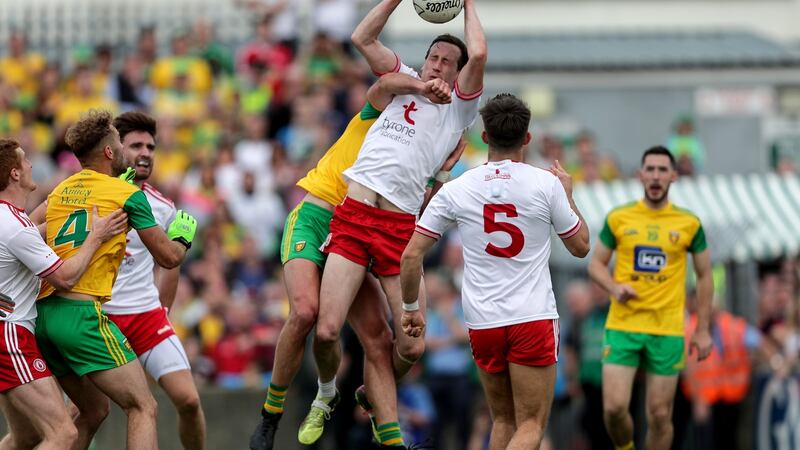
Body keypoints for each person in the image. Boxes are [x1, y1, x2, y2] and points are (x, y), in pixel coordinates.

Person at [305, 0, 487, 447]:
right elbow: (361, 39)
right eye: (435, 57)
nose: (440, 66)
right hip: (354, 214)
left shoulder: (460, 108)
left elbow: (479, 54)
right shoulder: (405, 79)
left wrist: (465, 5)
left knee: (411, 346)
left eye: (448, 63)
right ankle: (326, 394)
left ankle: (375, 389)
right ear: (425, 59)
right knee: (327, 329)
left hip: (399, 230)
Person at [248, 74, 463, 449]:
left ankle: (389, 436)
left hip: (359, 232)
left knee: (380, 340)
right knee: (305, 313)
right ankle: (276, 412)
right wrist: (419, 84)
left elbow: (418, 207)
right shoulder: (378, 114)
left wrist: (441, 171)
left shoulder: (418, 146)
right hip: (317, 217)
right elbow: (379, 75)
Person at [400, 93, 590, 449]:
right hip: (531, 317)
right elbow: (580, 246)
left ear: (484, 137)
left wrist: (411, 309)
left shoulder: (457, 189)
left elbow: (411, 256)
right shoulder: (546, 184)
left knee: (502, 419)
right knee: (531, 425)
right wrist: (569, 194)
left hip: (483, 322)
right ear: (527, 139)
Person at [35, 109, 198, 450]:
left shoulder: (62, 189)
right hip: (82, 316)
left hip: (43, 317)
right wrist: (183, 236)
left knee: (92, 411)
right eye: (124, 145)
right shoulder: (127, 195)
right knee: (143, 407)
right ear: (110, 152)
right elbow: (169, 258)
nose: (133, 153)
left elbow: (24, 230)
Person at [0, 139, 127, 449]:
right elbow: (65, 278)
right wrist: (95, 236)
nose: (31, 165)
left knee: (26, 437)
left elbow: (30, 234)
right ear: (15, 173)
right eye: (25, 159)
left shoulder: (10, 221)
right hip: (11, 335)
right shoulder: (15, 226)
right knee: (63, 434)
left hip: (6, 332)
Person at [587, 145, 713, 450]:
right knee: (614, 409)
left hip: (667, 328)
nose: (656, 176)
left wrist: (703, 329)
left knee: (658, 415)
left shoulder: (689, 223)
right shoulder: (620, 218)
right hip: (623, 325)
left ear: (673, 176)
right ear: (641, 175)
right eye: (650, 170)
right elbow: (595, 264)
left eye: (662, 170)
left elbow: (705, 275)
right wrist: (615, 288)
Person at [100, 111, 206, 449]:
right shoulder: (95, 195)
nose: (145, 152)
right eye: (135, 145)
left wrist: (164, 309)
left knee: (189, 401)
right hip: (102, 319)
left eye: (150, 146)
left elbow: (170, 264)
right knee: (84, 414)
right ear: (114, 149)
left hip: (146, 315)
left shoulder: (163, 207)